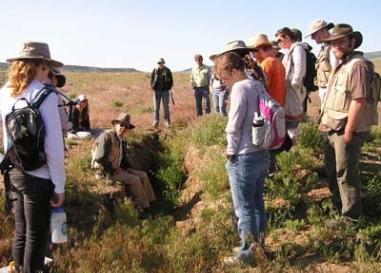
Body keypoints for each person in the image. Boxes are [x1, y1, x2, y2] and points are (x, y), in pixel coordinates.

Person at [0, 41, 65, 273]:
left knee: (21, 230)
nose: (47, 73)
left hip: (13, 173)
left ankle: (16, 269)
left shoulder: (5, 94)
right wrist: (59, 185)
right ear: (38, 66)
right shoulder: (46, 95)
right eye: (46, 68)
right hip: (39, 175)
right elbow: (54, 148)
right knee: (36, 236)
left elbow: (7, 139)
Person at [215, 52, 269, 264]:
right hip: (261, 153)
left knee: (243, 207)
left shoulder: (239, 87)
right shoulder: (256, 84)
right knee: (257, 204)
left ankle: (247, 255)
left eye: (225, 77)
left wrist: (230, 152)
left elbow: (234, 125)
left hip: (244, 156)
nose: (225, 83)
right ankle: (259, 247)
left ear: (235, 71)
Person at [319, 24, 375, 221]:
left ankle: (351, 218)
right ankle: (339, 208)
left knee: (346, 174)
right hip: (333, 128)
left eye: (341, 41)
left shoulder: (358, 65)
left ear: (353, 41)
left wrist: (349, 132)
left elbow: (358, 101)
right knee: (334, 171)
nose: (337, 46)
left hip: (346, 130)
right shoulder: (343, 64)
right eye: (334, 43)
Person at [91, 113, 156, 215]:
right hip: (105, 172)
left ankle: (151, 203)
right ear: (115, 124)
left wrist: (127, 168)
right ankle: (142, 209)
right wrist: (113, 171)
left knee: (143, 175)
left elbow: (123, 158)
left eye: (126, 126)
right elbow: (100, 159)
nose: (123, 128)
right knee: (135, 180)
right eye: (121, 125)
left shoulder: (122, 140)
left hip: (118, 169)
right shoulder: (107, 137)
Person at [275, 27, 307, 146]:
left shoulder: (298, 49)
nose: (279, 44)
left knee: (292, 123)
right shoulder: (290, 51)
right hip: (288, 90)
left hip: (292, 91)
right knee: (288, 121)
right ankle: (290, 146)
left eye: (280, 40)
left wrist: (293, 86)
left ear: (287, 37)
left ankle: (293, 148)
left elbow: (299, 71)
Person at [247, 33, 286, 106]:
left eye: (253, 50)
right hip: (277, 107)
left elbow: (259, 91)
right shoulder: (278, 62)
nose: (251, 54)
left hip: (269, 108)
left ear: (261, 48)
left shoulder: (266, 64)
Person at [305, 19, 337, 105]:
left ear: (322, 31)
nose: (312, 38)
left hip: (332, 94)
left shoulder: (333, 49)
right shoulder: (325, 48)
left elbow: (337, 74)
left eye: (313, 35)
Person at [150, 57, 173, 128]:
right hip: (156, 92)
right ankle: (155, 121)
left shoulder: (167, 70)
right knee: (156, 108)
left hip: (165, 92)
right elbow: (151, 81)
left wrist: (168, 88)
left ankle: (167, 122)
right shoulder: (155, 71)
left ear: (164, 63)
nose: (160, 64)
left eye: (161, 63)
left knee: (166, 107)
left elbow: (171, 81)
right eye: (159, 63)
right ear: (158, 63)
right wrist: (153, 87)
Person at [47, 67, 70, 135]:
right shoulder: (55, 95)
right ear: (54, 78)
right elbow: (63, 124)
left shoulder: (30, 90)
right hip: (52, 135)